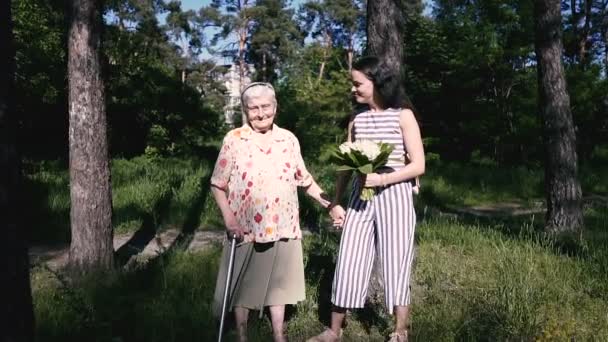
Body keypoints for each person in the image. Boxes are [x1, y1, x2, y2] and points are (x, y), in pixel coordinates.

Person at [308, 56, 425, 342]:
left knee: (397, 259)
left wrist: (382, 179)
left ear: (377, 82)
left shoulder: (403, 115)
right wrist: (336, 201)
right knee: (349, 256)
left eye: (357, 83)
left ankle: (399, 331)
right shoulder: (357, 119)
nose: (353, 89)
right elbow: (347, 164)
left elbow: (418, 164)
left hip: (395, 195)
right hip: (360, 196)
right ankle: (334, 331)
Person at [211, 82, 332, 342]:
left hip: (283, 224)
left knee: (280, 287)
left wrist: (330, 205)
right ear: (245, 110)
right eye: (253, 108)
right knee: (242, 286)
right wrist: (229, 219)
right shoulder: (234, 139)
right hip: (245, 226)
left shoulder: (288, 139)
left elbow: (305, 180)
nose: (260, 113)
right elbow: (217, 184)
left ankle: (279, 334)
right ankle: (242, 335)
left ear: (275, 107)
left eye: (266, 106)